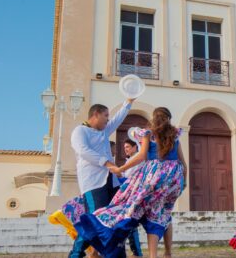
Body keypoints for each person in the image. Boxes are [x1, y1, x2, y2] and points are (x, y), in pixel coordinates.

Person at [77, 107, 186, 258]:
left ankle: (101, 244)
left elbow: (141, 156)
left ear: (154, 119)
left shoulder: (149, 134)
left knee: (126, 206)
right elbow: (183, 164)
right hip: (174, 180)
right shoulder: (175, 136)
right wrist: (182, 184)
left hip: (154, 178)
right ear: (169, 119)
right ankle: (166, 253)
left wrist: (121, 167)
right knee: (162, 213)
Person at [69, 98, 135, 258]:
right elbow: (83, 150)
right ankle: (76, 253)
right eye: (106, 115)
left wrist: (128, 102)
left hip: (111, 182)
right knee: (94, 220)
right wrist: (107, 163)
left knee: (116, 217)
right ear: (96, 114)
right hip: (92, 182)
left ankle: (115, 253)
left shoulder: (104, 131)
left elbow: (117, 120)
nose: (108, 118)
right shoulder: (80, 131)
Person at [119, 137, 144, 257]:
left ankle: (137, 252)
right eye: (124, 148)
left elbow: (130, 176)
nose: (126, 150)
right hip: (128, 194)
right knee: (129, 223)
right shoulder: (129, 160)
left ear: (135, 147)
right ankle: (136, 252)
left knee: (130, 222)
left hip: (135, 194)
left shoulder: (138, 158)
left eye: (128, 147)